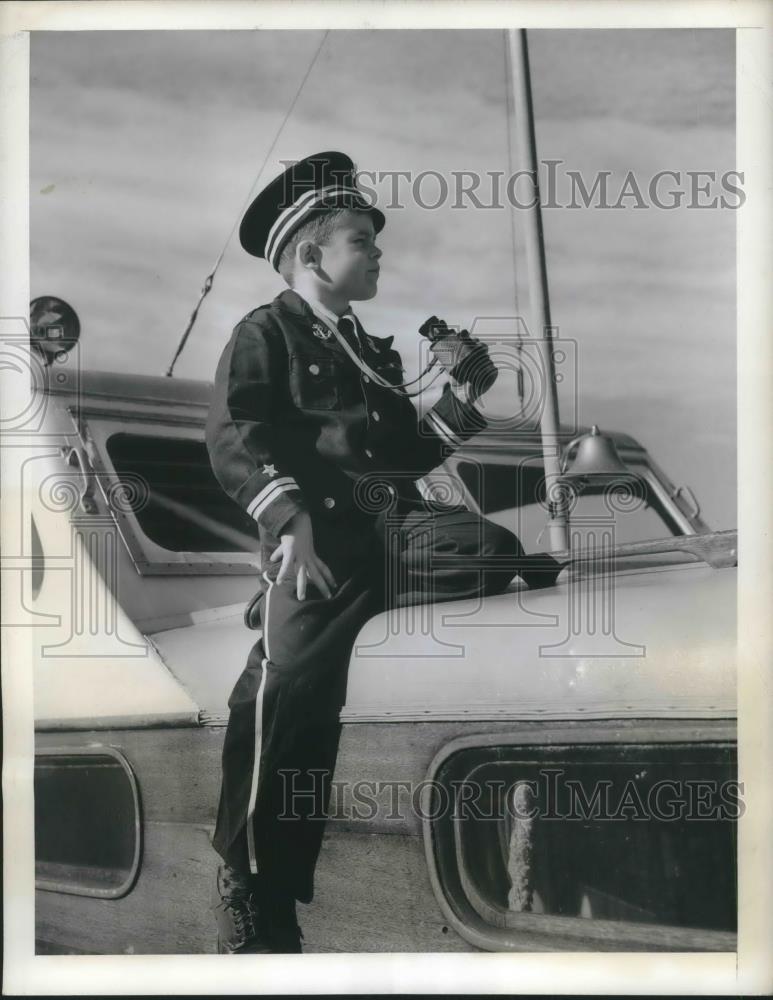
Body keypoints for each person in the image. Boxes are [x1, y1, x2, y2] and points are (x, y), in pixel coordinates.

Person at [205, 150, 562, 953]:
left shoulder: (371, 350)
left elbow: (401, 461)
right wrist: (288, 522)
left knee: (492, 548)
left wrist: (460, 400)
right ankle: (252, 880)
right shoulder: (266, 331)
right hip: (320, 543)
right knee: (289, 695)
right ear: (310, 254)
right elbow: (235, 433)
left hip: (389, 531)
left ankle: (312, 606)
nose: (376, 254)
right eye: (362, 240)